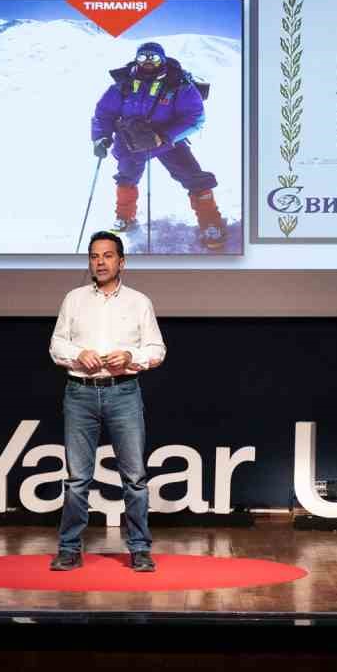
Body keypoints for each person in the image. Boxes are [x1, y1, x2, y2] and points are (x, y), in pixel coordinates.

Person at [48, 231, 166, 572]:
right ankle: (69, 548)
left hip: (124, 391)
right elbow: (56, 345)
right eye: (94, 256)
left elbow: (157, 350)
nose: (100, 262)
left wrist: (130, 356)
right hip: (80, 393)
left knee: (134, 477)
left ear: (122, 262)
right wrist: (77, 354)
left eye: (108, 256)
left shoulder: (139, 302)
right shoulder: (74, 299)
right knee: (77, 479)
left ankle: (140, 549)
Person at [91, 41, 227, 250]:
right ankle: (124, 216)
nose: (147, 62)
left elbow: (195, 118)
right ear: (136, 59)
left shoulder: (178, 84)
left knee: (194, 178)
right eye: (142, 57)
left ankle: (210, 223)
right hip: (130, 140)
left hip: (168, 141)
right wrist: (101, 137)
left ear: (162, 60)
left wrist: (163, 136)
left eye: (153, 57)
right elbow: (103, 113)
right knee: (126, 177)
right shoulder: (123, 84)